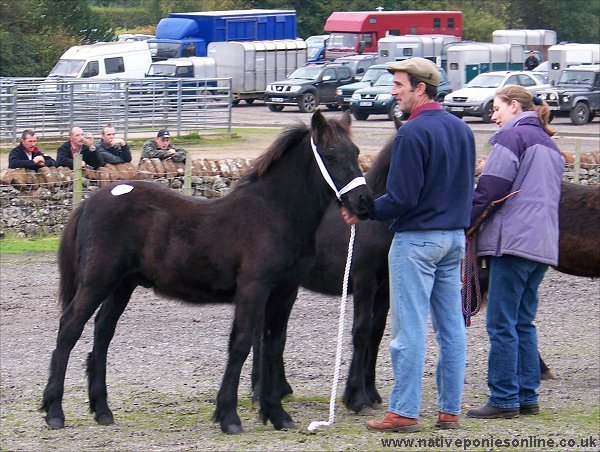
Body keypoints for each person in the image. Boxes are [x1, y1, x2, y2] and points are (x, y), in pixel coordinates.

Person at [341, 57, 475, 432]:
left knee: (409, 329)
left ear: (420, 89)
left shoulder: (411, 133)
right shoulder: (462, 130)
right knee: (452, 328)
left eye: (399, 85)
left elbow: (401, 198)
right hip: (453, 240)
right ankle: (449, 409)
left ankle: (404, 411)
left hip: (416, 241)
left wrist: (364, 211)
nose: (393, 92)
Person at [466, 85, 564, 419]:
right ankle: (527, 396)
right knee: (523, 322)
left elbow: (492, 190)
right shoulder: (549, 145)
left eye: (496, 108)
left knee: (501, 323)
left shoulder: (511, 139)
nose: (493, 116)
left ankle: (504, 399)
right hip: (543, 245)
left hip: (513, 244)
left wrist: (463, 222)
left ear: (513, 105)